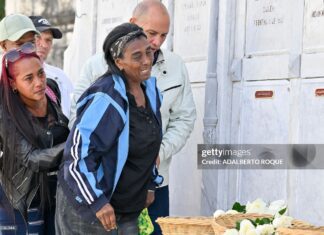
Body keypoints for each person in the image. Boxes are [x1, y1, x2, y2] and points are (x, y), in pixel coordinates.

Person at [69, 1, 196, 234]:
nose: (156, 43)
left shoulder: (173, 68)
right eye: (151, 33)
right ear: (133, 25)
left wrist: (157, 156)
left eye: (163, 36)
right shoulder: (96, 67)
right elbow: (77, 124)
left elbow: (184, 118)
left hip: (154, 183)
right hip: (108, 189)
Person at [55, 22, 163, 235]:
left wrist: (150, 183)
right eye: (137, 56)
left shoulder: (150, 90)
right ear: (119, 62)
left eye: (148, 52)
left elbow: (149, 142)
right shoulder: (106, 98)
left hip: (127, 208)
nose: (146, 61)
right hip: (89, 210)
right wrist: (97, 202)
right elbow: (77, 156)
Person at [0, 42, 69, 234]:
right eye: (28, 78)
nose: (39, 82)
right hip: (22, 196)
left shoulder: (51, 90)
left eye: (41, 73)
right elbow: (32, 159)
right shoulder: (4, 111)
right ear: (13, 84)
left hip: (56, 191)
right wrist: (75, 144)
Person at [29, 15, 74, 118]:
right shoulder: (12, 75)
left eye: (48, 40)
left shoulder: (61, 75)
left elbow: (74, 108)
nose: (44, 45)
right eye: (38, 38)